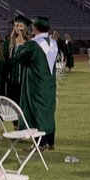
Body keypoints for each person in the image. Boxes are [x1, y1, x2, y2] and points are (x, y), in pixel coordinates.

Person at [14, 16, 59, 149]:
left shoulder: (34, 45)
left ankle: (41, 143)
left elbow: (19, 56)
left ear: (35, 28)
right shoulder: (53, 44)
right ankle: (50, 142)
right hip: (49, 84)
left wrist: (19, 44)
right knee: (48, 112)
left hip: (36, 84)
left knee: (37, 112)